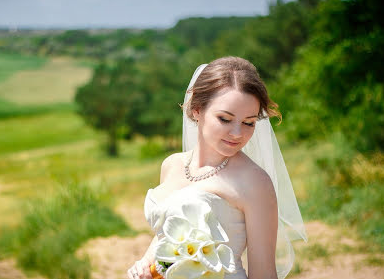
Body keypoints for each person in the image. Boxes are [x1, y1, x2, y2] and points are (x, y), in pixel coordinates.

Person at [127, 56, 308, 279]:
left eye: (249, 122)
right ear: (197, 110)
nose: (237, 133)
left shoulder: (254, 182)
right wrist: (147, 264)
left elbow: (264, 274)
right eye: (225, 119)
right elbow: (168, 232)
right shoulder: (171, 165)